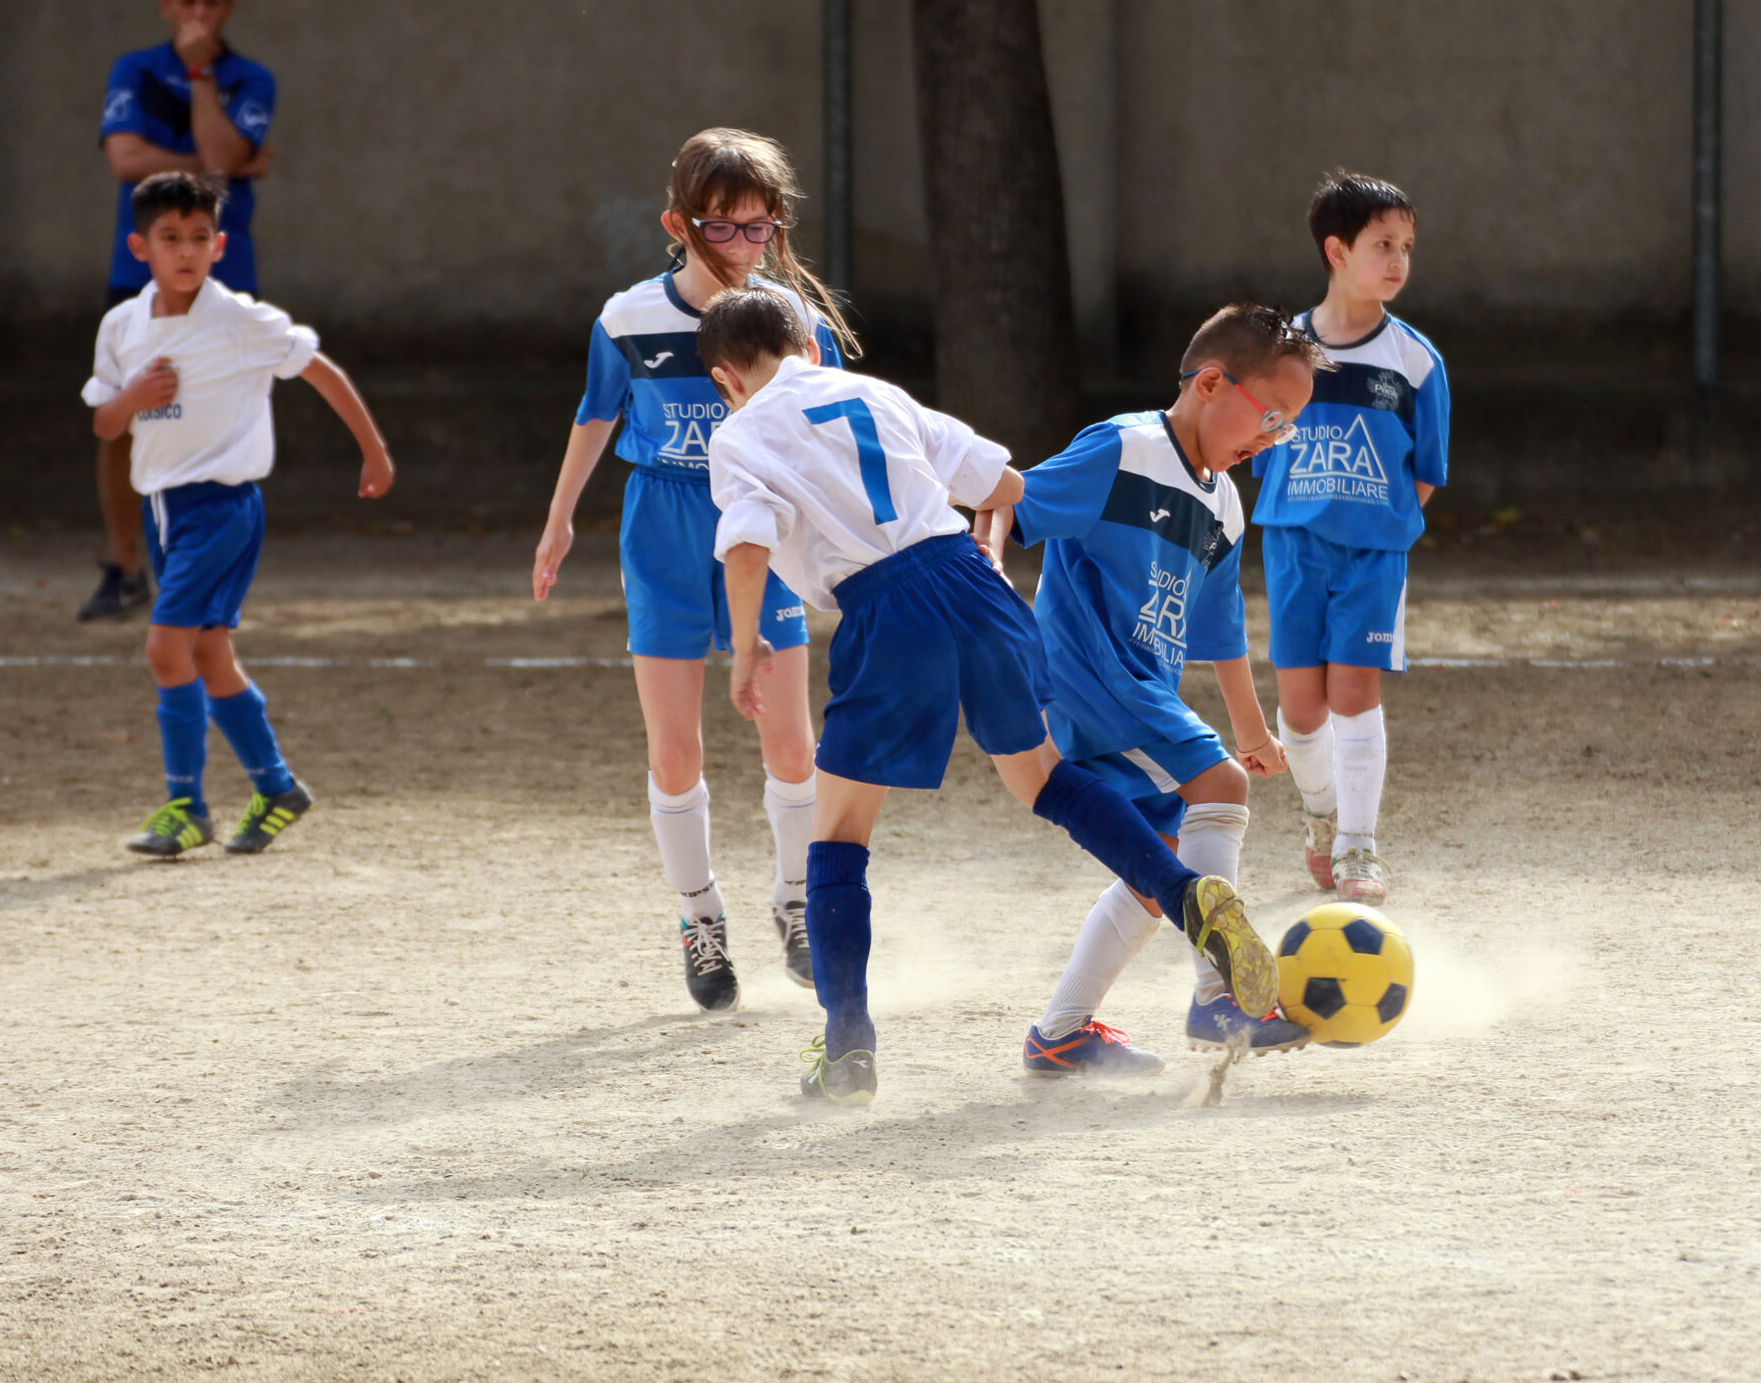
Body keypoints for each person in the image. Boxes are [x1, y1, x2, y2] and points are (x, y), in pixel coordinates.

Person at [697, 287, 1279, 1106]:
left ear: (726, 379)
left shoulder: (739, 432)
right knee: (1043, 778)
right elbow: (997, 481)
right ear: (813, 345)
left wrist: (747, 640)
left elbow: (748, 539)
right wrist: (985, 546)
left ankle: (848, 1047)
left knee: (839, 836)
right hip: (974, 583)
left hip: (884, 606)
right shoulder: (876, 393)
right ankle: (1188, 895)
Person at [532, 130, 844, 1015]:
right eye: (722, 226)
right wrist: (559, 518)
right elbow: (596, 414)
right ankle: (700, 916)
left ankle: (795, 901)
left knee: (792, 742)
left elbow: (833, 426)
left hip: (765, 524)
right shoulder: (628, 319)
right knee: (674, 750)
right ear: (678, 224)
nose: (744, 244)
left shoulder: (796, 324)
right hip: (663, 526)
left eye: (760, 226)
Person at [981, 304, 1327, 1075]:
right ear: (1210, 383)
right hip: (1088, 677)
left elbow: (1220, 628)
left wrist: (1251, 729)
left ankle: (1060, 1034)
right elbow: (1010, 499)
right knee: (1221, 785)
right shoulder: (1124, 448)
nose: (1273, 438)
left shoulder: (1225, 504)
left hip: (1141, 691)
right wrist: (989, 565)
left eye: (1289, 427)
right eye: (1271, 415)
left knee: (1160, 869)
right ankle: (1221, 995)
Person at [82, 172, 391, 857]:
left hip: (222, 508)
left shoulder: (240, 320)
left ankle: (186, 807)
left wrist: (373, 450)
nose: (186, 251)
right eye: (170, 238)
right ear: (140, 246)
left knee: (165, 648)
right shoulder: (122, 325)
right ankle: (276, 787)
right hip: (162, 509)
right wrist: (132, 399)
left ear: (219, 246)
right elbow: (105, 424)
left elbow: (320, 369)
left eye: (200, 237)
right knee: (209, 653)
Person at [1253, 172, 1449, 904]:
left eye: (1407, 247)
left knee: (1353, 693)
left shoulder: (1416, 361)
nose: (1399, 260)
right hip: (1292, 548)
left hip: (1372, 555)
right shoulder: (1283, 350)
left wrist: (1382, 527)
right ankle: (1323, 817)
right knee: (1302, 710)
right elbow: (1258, 448)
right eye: (1382, 244)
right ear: (1337, 251)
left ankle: (1359, 845)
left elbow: (1426, 471)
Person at [86, 0, 279, 623]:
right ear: (165, 4)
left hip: (227, 277)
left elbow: (223, 159)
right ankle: (124, 566)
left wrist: (200, 78)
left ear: (228, 10)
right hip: (136, 279)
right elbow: (126, 159)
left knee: (226, 419)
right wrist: (219, 168)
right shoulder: (134, 71)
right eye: (187, 1)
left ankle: (210, 570)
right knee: (124, 416)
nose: (198, 13)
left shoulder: (250, 79)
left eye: (211, 2)